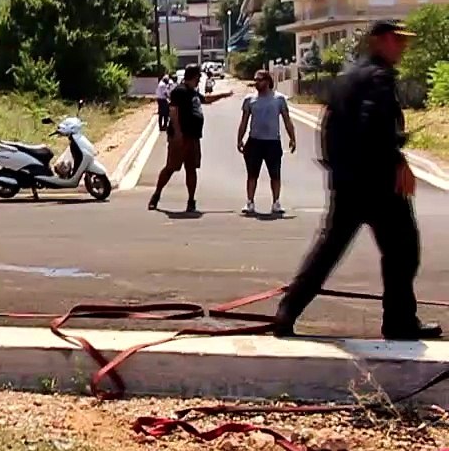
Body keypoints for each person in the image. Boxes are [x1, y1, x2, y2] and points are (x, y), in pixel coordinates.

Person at [274, 20, 440, 340]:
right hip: (377, 183)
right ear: (379, 41)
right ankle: (399, 322)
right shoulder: (379, 78)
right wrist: (397, 161)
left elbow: (330, 126)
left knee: (328, 251)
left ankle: (287, 312)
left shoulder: (349, 78)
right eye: (395, 39)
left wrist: (338, 169)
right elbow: (372, 124)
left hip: (348, 182)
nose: (401, 46)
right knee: (404, 250)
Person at [147, 63, 235, 213]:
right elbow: (173, 112)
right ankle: (156, 195)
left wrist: (224, 95)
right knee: (171, 168)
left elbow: (205, 100)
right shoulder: (179, 91)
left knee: (191, 169)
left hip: (193, 137)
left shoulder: (193, 92)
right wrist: (178, 133)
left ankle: (191, 200)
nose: (200, 79)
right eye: (199, 76)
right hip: (181, 137)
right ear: (193, 76)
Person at [237, 69, 297, 215]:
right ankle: (250, 202)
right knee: (252, 174)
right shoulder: (249, 100)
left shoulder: (279, 99)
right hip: (254, 142)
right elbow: (244, 121)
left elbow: (287, 120)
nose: (257, 83)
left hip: (272, 142)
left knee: (275, 174)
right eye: (255, 80)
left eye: (260, 80)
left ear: (267, 81)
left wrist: (292, 138)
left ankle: (276, 203)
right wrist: (239, 138)